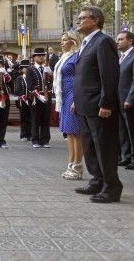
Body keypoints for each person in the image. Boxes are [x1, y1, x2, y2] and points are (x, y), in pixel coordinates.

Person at [73, 6, 123, 203]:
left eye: (82, 18)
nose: (78, 21)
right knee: (90, 146)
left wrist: (107, 103)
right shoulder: (86, 43)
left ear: (95, 20)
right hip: (85, 105)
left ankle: (112, 187)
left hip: (99, 106)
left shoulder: (104, 42)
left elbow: (109, 75)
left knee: (104, 146)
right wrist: (77, 102)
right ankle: (97, 179)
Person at [53, 31, 84, 179]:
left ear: (73, 42)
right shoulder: (64, 57)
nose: (62, 43)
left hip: (73, 94)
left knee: (76, 132)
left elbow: (81, 79)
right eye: (62, 40)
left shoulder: (77, 56)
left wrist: (77, 100)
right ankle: (71, 164)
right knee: (69, 133)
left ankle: (77, 167)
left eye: (65, 40)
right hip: (64, 96)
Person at [116, 31, 134, 170]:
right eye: (117, 39)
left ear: (130, 41)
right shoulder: (120, 58)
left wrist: (131, 98)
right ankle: (126, 156)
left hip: (129, 101)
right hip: (118, 100)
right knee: (122, 130)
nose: (118, 42)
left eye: (121, 39)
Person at [26, 47, 53, 148]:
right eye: (39, 56)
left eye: (42, 56)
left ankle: (45, 140)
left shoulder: (47, 68)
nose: (41, 58)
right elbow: (29, 85)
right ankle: (35, 139)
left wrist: (50, 74)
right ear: (34, 58)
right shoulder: (30, 69)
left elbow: (51, 83)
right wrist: (38, 95)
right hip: (35, 98)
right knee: (35, 119)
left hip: (47, 96)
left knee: (46, 119)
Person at [14, 60, 32, 142]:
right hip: (23, 101)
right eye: (25, 68)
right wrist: (24, 97)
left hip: (32, 100)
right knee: (24, 118)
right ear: (21, 69)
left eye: (28, 67)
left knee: (31, 118)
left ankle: (30, 134)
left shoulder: (32, 78)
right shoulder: (19, 78)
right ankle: (23, 134)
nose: (27, 69)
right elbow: (17, 90)